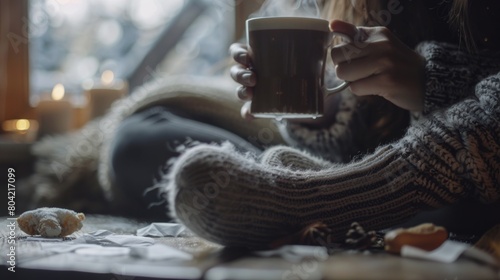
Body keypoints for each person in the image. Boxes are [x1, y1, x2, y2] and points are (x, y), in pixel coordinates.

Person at [163, 0, 500, 249]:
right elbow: (379, 128)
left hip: (463, 183)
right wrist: (321, 109)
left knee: (183, 173)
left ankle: (315, 200)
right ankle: (325, 189)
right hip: (384, 154)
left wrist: (434, 82)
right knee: (139, 136)